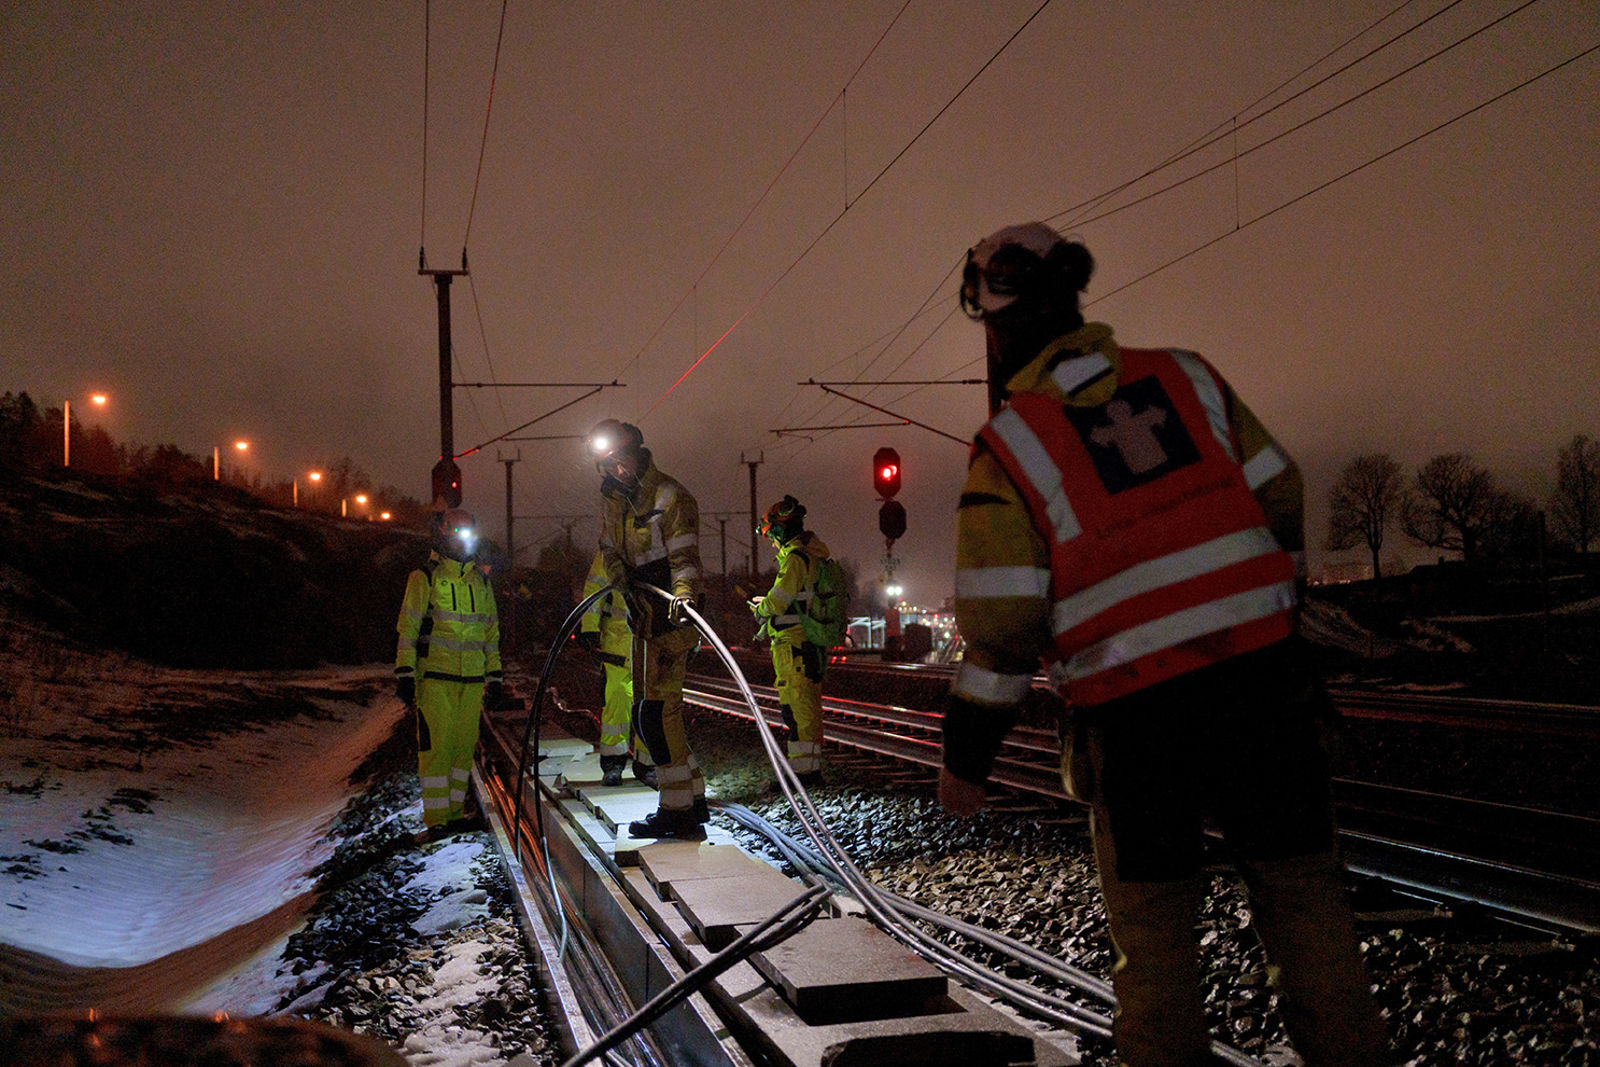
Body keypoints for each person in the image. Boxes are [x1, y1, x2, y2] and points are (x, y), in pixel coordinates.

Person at [938, 223, 1390, 1067]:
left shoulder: (1012, 445)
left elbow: (1002, 627)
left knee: (1155, 949)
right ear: (1073, 297)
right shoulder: (1185, 375)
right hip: (1265, 692)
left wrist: (967, 758)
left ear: (995, 324)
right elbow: (1278, 488)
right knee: (1310, 915)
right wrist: (1275, 611)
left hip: (1139, 722)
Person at [587, 419, 708, 839]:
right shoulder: (615, 503)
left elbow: (685, 559)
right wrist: (622, 581)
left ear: (638, 454)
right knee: (647, 714)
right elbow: (609, 550)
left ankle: (678, 813)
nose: (616, 471)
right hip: (641, 616)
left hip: (671, 617)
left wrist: (684, 597)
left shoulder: (670, 497)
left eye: (621, 461)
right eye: (608, 465)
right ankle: (693, 796)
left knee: (656, 714)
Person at [395, 507, 502, 837]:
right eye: (455, 532)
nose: (461, 539)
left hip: (470, 682)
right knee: (436, 749)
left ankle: (453, 814)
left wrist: (494, 677)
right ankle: (436, 820)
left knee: (461, 749)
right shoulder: (424, 577)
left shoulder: (480, 583)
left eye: (466, 532)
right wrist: (404, 673)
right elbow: (408, 629)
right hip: (436, 679)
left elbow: (490, 633)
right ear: (440, 531)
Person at [749, 495, 830, 784]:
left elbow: (779, 600)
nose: (771, 542)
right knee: (796, 709)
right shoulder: (806, 558)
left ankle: (806, 774)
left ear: (781, 530)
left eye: (772, 535)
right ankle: (802, 771)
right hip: (796, 644)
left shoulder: (796, 559)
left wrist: (761, 608)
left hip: (796, 645)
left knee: (800, 710)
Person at [578, 548, 657, 788]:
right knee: (617, 700)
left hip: (645, 642)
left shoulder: (652, 549)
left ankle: (647, 764)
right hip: (617, 644)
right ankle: (613, 764)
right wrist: (589, 627)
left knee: (649, 705)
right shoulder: (607, 555)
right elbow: (594, 592)